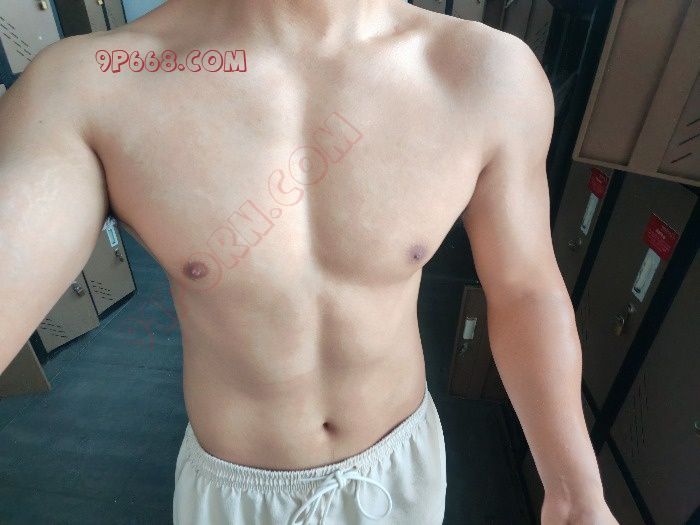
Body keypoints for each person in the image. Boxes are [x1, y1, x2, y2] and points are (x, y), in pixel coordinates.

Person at [0, 0, 618, 523]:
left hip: (399, 470)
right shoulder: (91, 87)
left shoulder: (487, 74)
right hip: (235, 494)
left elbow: (525, 288)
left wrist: (575, 491)